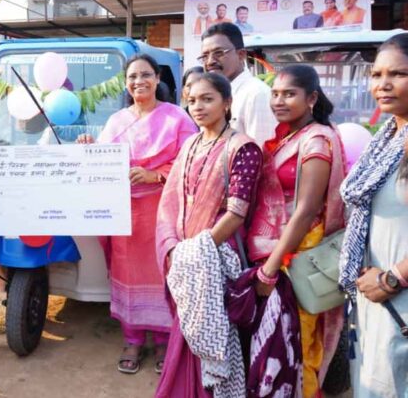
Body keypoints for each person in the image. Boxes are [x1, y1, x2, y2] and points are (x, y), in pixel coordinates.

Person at [76, 54, 196, 375]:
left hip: (162, 212)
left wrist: (155, 174)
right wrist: (89, 146)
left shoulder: (177, 118)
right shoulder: (117, 121)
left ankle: (165, 341)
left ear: (157, 79)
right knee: (128, 274)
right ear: (125, 83)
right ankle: (132, 340)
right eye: (132, 76)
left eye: (145, 75)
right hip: (125, 215)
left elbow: (192, 161)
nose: (138, 81)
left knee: (162, 273)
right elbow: (102, 162)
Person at [155, 73, 262, 397]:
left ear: (227, 103)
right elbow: (171, 201)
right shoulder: (190, 144)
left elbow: (237, 212)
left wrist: (195, 251)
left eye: (207, 99)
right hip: (185, 255)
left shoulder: (243, 148)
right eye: (192, 100)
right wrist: (174, 248)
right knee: (185, 335)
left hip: (217, 259)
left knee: (217, 337)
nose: (198, 106)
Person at [248, 65, 346, 397]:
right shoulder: (288, 135)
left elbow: (305, 211)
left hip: (300, 254)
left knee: (300, 342)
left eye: (289, 94)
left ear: (312, 98)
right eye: (275, 93)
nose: (279, 101)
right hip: (279, 248)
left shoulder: (316, 139)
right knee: (281, 340)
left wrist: (271, 268)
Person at [339, 33, 408, 397]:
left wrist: (394, 278)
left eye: (398, 74)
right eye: (377, 74)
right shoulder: (386, 138)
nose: (383, 84)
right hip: (375, 301)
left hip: (397, 301)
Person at [200, 22, 276, 148]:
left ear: (241, 55)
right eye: (205, 56)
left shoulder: (257, 94)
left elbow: (262, 151)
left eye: (218, 53)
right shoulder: (211, 96)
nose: (210, 61)